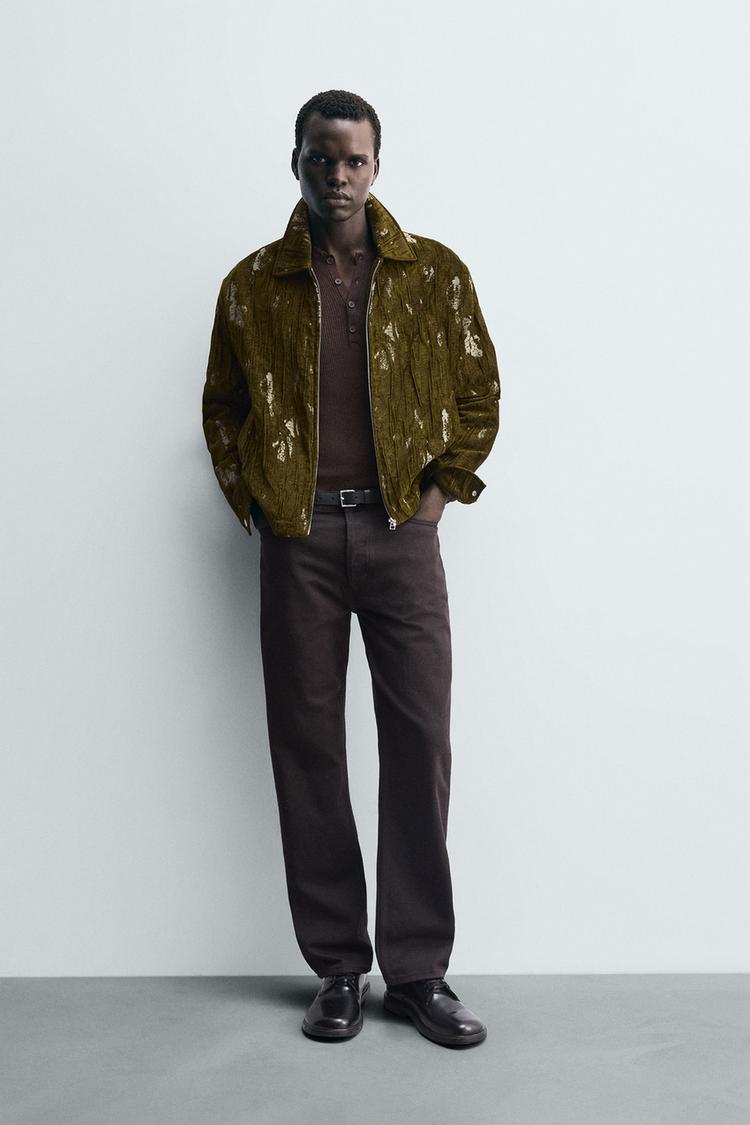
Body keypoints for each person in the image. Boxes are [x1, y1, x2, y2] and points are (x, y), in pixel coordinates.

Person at [202, 89, 500, 1048]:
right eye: (320, 158)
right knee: (308, 745)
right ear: (295, 161)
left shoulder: (433, 275)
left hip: (401, 535)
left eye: (354, 160)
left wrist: (437, 495)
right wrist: (261, 504)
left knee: (419, 742)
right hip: (300, 542)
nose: (338, 175)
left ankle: (418, 971)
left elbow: (479, 392)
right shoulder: (254, 284)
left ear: (378, 165)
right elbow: (222, 408)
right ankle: (337, 966)